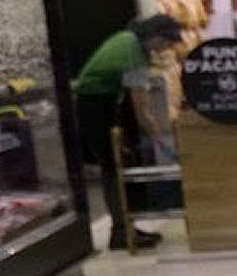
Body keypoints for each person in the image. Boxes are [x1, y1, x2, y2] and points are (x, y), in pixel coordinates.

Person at [70, 14, 181, 251]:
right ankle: (121, 232)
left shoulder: (127, 40)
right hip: (95, 106)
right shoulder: (134, 51)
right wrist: (159, 135)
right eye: (167, 43)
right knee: (114, 167)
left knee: (117, 165)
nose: (165, 50)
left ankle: (125, 227)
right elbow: (139, 102)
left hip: (100, 104)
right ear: (156, 36)